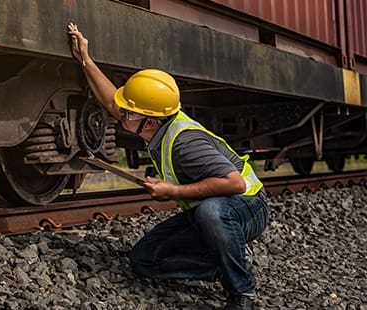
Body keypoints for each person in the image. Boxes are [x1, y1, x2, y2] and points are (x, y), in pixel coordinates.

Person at [67, 23, 270, 310]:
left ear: (149, 122)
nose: (119, 113)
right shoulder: (156, 122)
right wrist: (85, 59)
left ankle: (242, 293)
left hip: (247, 207)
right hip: (210, 210)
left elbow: (235, 183)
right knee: (143, 260)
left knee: (213, 212)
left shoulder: (185, 143)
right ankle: (220, 266)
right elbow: (112, 101)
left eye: (128, 113)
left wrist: (173, 191)